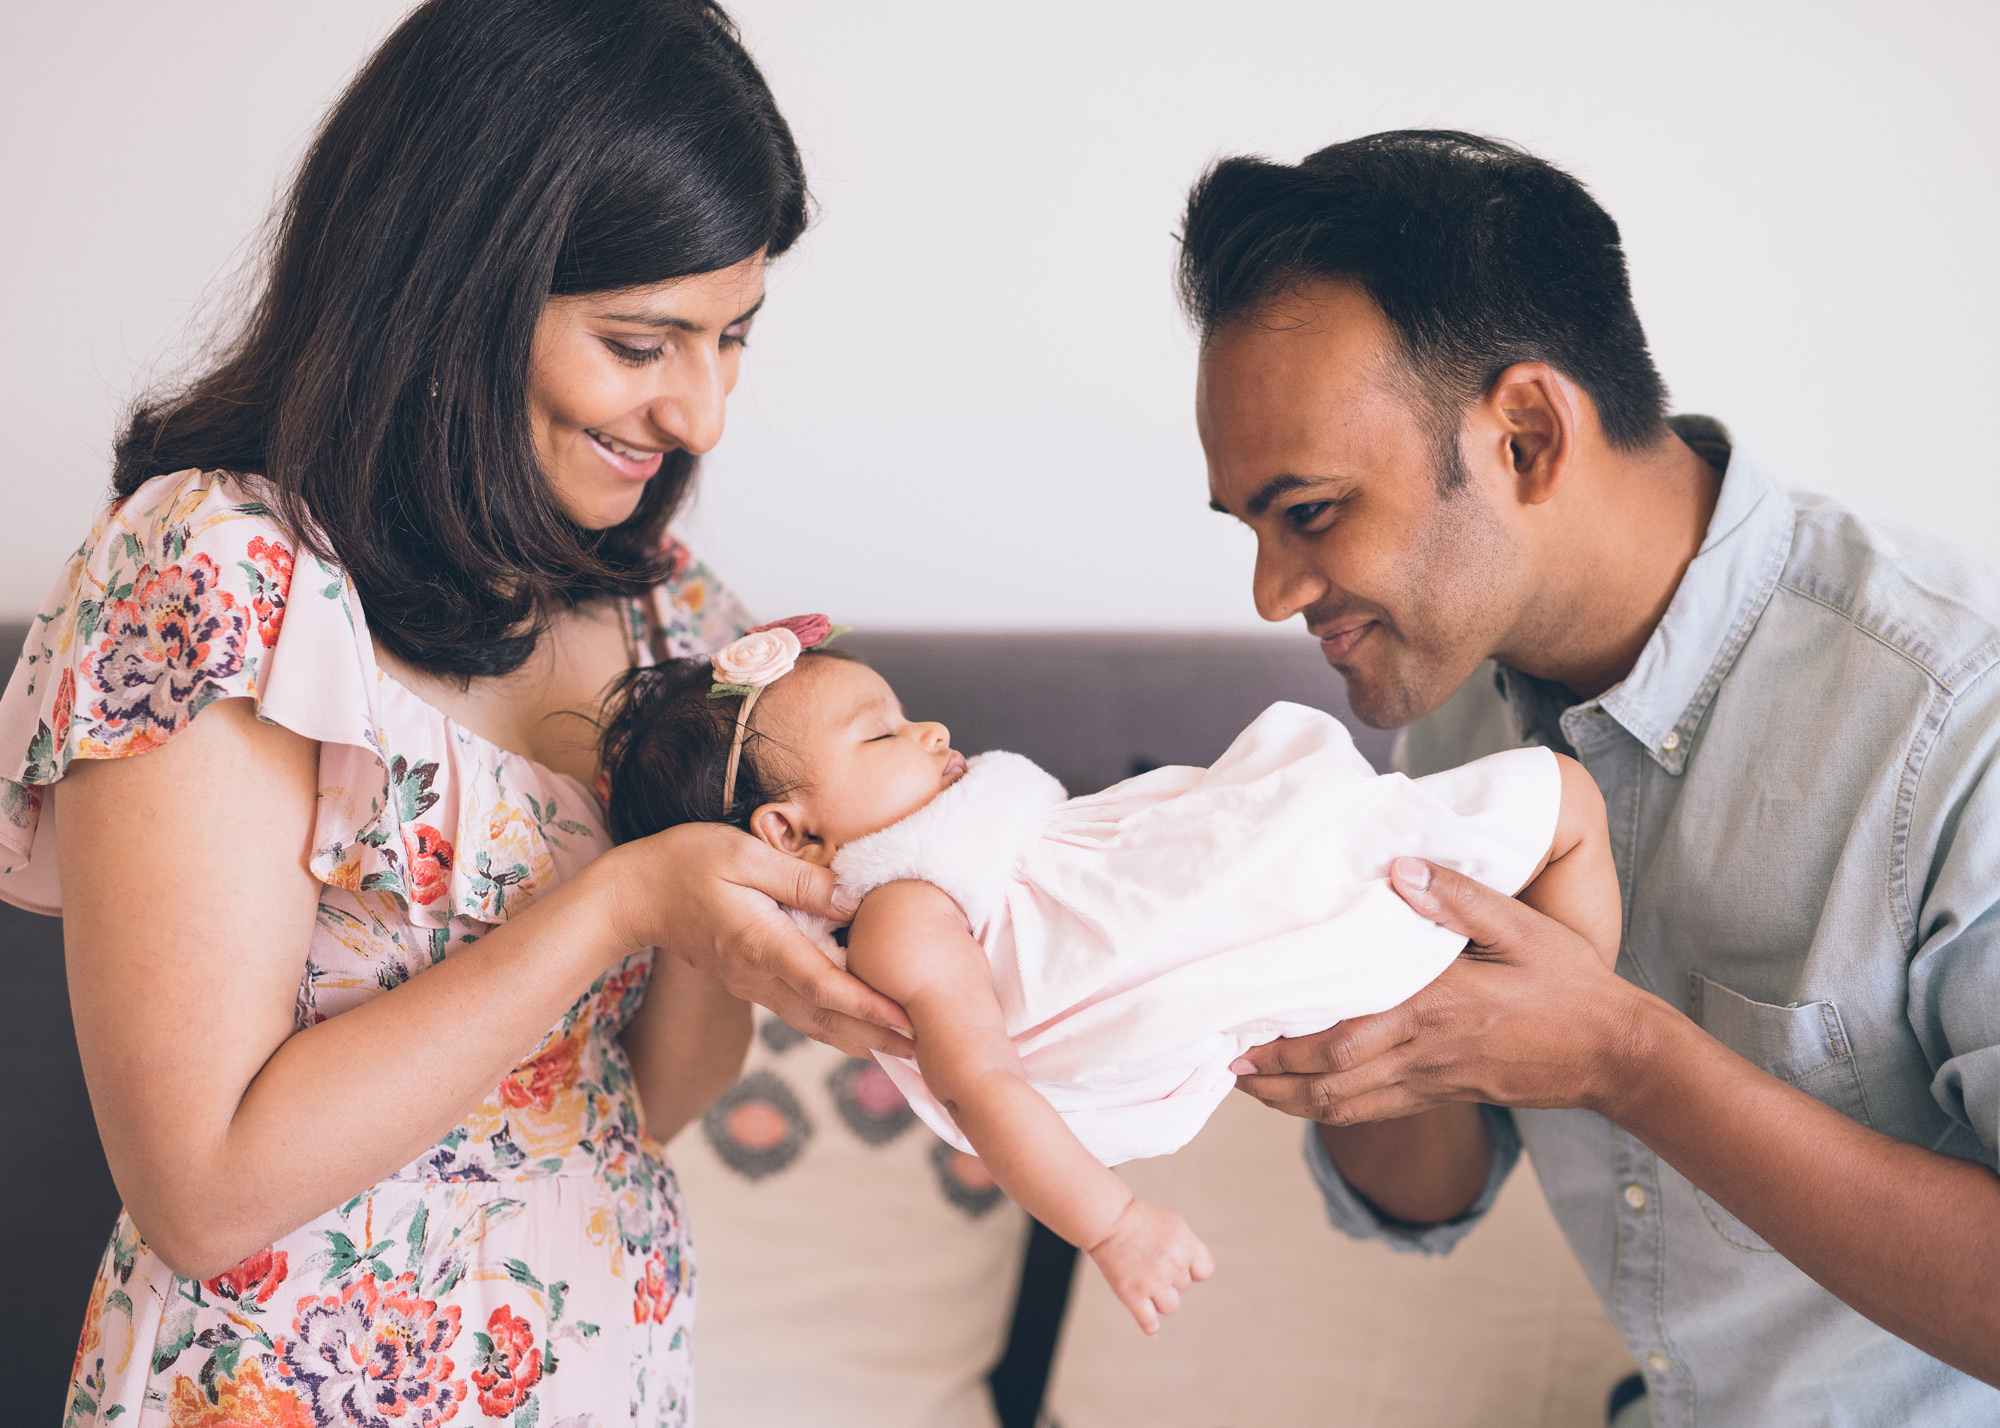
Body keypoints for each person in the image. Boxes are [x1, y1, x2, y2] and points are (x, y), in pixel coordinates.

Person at [0, 2, 914, 1421]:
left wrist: (748, 914)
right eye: (641, 341)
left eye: (734, 336)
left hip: (600, 1366)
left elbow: (651, 1103)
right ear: (460, 286)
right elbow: (202, 1190)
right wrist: (622, 902)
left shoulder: (676, 617)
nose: (702, 414)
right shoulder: (218, 577)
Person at [1186, 130, 2000, 1425]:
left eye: (1313, 513)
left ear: (1524, 435)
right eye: (1252, 528)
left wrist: (1626, 1055)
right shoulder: (1456, 703)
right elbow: (1424, 1196)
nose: (1273, 592)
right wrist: (1341, 1016)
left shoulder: (1956, 712)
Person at [594, 618, 1618, 1335]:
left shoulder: (933, 876)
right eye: (883, 734)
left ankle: (1568, 1018)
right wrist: (1113, 1223)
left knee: (1551, 816)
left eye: (907, 713)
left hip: (1188, 892)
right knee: (1562, 800)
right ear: (791, 834)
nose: (932, 731)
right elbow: (984, 1087)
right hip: (1199, 914)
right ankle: (1582, 1024)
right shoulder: (901, 915)